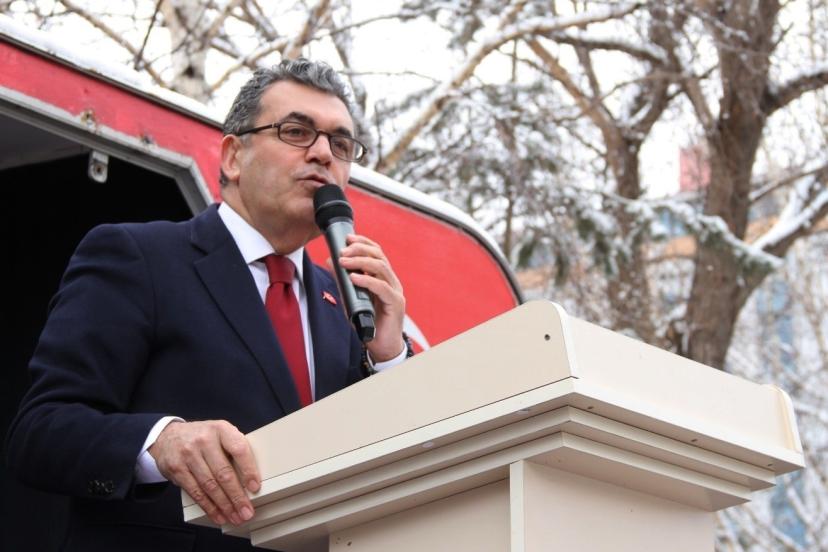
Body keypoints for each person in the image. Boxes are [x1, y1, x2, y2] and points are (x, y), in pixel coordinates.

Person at [6, 58, 409, 551]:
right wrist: (159, 442)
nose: (324, 153)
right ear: (233, 157)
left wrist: (388, 357)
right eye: (297, 131)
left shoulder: (345, 302)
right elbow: (41, 432)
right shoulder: (139, 257)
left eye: (341, 144)